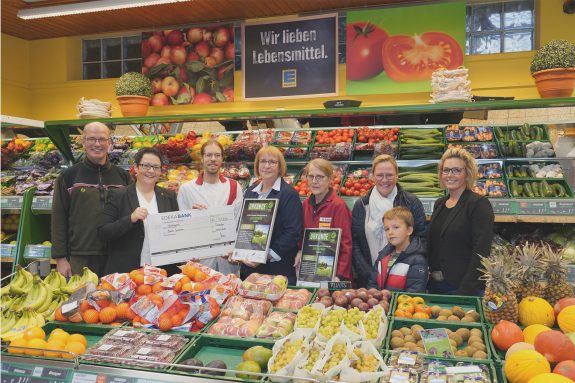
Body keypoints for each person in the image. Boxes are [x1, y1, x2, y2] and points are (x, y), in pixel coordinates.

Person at [51, 122, 131, 277]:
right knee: (80, 300)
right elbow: (58, 218)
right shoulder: (68, 177)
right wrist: (60, 258)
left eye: (102, 139)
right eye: (91, 139)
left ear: (110, 143)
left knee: (117, 300)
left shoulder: (123, 177)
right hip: (80, 257)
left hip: (117, 255)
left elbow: (131, 214)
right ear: (83, 142)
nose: (97, 144)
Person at [98, 148, 179, 275]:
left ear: (160, 171)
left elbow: (176, 232)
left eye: (156, 167)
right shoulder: (118, 195)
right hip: (128, 270)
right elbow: (103, 232)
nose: (151, 171)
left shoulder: (169, 196)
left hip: (161, 270)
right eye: (146, 166)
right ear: (136, 168)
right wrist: (130, 219)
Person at [351, 154, 426, 288]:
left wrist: (408, 267)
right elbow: (355, 242)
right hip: (369, 278)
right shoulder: (362, 205)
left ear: (397, 175)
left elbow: (421, 237)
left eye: (390, 175)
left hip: (401, 277)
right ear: (372, 176)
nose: (384, 180)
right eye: (379, 175)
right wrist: (370, 273)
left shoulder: (411, 202)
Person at [427, 147, 494, 295]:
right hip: (436, 286)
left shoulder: (478, 204)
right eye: (446, 170)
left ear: (467, 174)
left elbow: (481, 250)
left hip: (462, 288)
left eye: (456, 170)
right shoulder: (440, 204)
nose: (450, 175)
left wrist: (466, 289)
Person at [177, 139, 243, 274]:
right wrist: (192, 216)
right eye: (209, 155)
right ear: (202, 158)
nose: (213, 159)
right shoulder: (187, 189)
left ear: (222, 159)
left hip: (228, 260)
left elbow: (239, 222)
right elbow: (180, 226)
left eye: (217, 155)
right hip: (199, 261)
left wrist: (236, 250)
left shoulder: (234, 186)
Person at [240, 146, 303, 285]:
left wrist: (265, 256)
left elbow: (292, 232)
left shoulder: (289, 194)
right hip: (250, 270)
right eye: (262, 161)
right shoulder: (250, 192)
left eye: (272, 162)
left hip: (277, 271)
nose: (266, 166)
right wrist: (241, 253)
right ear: (257, 165)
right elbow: (244, 226)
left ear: (280, 167)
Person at [296, 158, 352, 281]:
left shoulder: (338, 206)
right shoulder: (306, 204)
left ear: (330, 179)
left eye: (320, 177)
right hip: (310, 272)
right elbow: (302, 237)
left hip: (333, 275)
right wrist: (300, 251)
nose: (314, 181)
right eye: (311, 176)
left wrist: (339, 275)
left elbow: (346, 244)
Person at [366, 207, 427, 292]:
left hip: (400, 305)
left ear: (409, 230)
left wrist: (388, 298)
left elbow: (414, 293)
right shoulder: (383, 255)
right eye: (387, 229)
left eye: (396, 227)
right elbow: (372, 283)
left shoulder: (417, 260)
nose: (390, 232)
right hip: (381, 304)